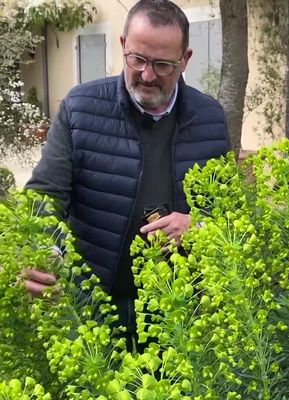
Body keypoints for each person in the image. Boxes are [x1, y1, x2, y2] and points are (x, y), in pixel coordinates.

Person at [23, 0, 230, 348]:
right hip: (94, 303)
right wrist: (36, 249)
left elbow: (228, 213)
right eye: (138, 59)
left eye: (163, 64)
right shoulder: (81, 108)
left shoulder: (210, 116)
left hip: (179, 310)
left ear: (185, 60)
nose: (147, 75)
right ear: (122, 46)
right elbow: (44, 196)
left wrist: (198, 227)